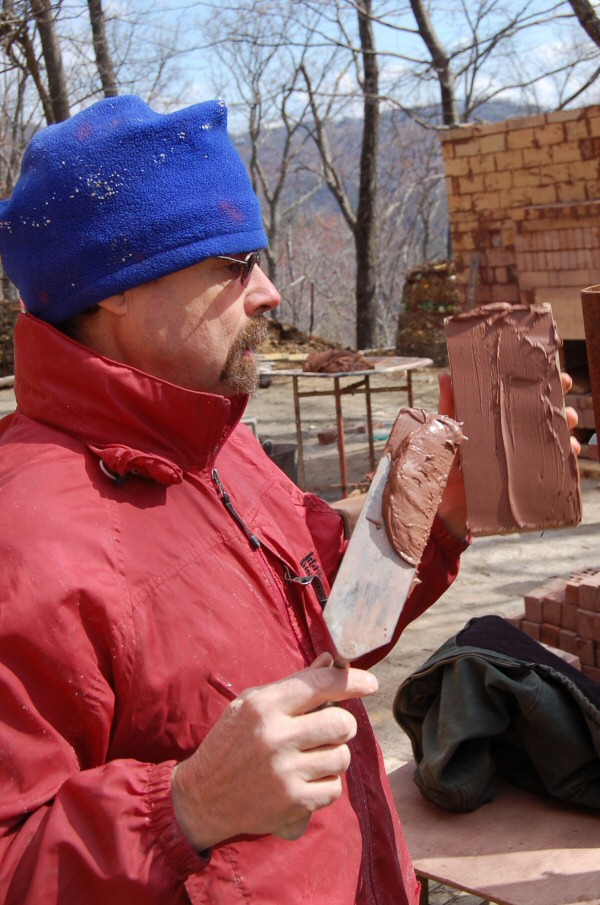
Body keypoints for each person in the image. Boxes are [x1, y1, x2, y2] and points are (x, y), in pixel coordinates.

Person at [0, 95, 504, 904]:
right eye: (234, 264)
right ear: (115, 287)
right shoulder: (25, 540)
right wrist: (185, 808)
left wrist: (434, 517)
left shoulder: (217, 437)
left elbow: (322, 638)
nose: (268, 292)